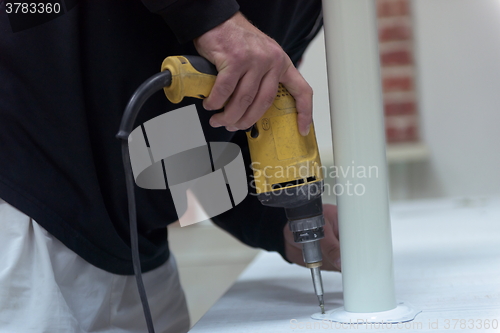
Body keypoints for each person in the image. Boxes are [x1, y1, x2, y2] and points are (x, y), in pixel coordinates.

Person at [0, 1, 340, 332]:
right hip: (26, 212)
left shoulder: (317, 10)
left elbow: (221, 129)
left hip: (138, 245)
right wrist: (214, 19)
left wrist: (278, 221)